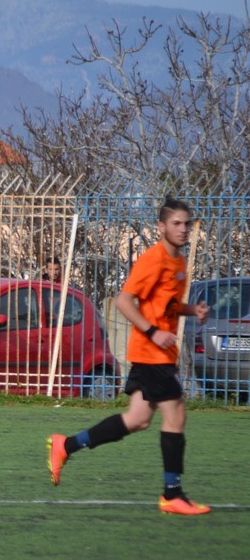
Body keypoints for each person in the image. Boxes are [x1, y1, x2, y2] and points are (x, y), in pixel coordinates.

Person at [47, 197, 211, 515]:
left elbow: (167, 305)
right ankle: (172, 494)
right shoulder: (153, 259)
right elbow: (124, 301)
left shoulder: (178, 261)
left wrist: (193, 310)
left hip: (159, 353)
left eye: (186, 223)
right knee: (176, 415)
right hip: (151, 354)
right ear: (161, 226)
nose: (183, 229)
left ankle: (65, 445)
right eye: (176, 223)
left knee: (137, 420)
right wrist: (153, 332)